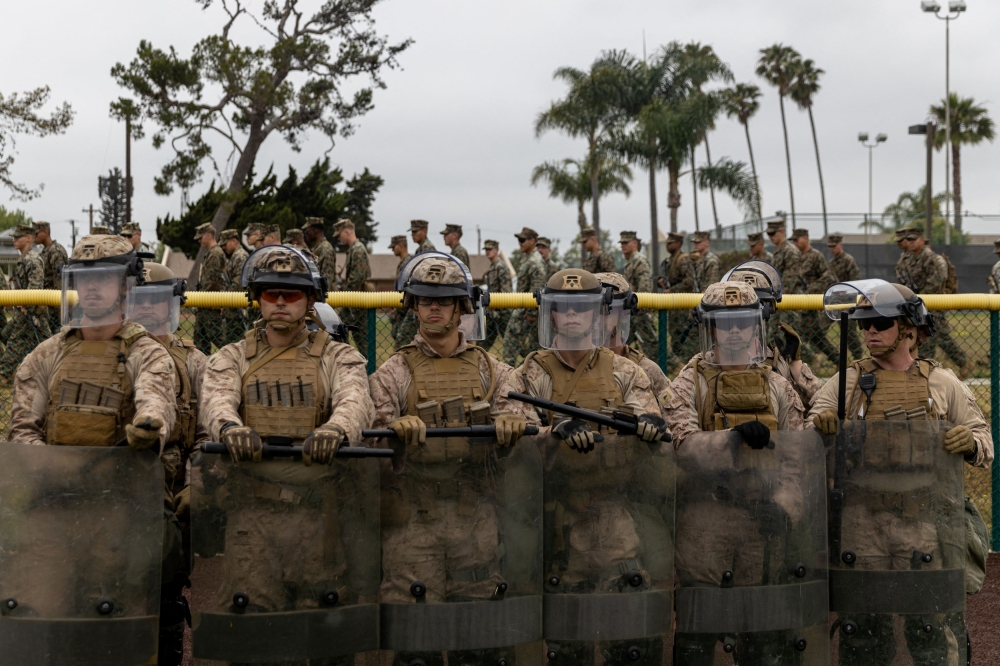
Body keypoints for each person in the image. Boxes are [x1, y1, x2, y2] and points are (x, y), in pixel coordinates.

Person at [7, 234, 183, 665]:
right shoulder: (45, 356)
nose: (92, 287)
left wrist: (149, 426)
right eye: (84, 278)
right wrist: (53, 470)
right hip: (54, 511)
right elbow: (22, 429)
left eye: (104, 277)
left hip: (120, 513)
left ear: (126, 285)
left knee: (114, 626)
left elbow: (156, 400)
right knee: (38, 619)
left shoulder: (148, 354)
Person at [198, 244, 375, 662]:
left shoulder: (338, 356)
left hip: (320, 517)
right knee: (252, 630)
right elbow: (215, 400)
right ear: (256, 299)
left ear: (310, 300)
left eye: (291, 294)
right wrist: (229, 428)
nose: (279, 302)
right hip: (252, 516)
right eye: (270, 293)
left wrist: (336, 429)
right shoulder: (232, 357)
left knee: (325, 632)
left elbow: (356, 400)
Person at [494, 267, 672, 665]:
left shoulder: (625, 371)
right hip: (555, 521)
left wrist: (645, 428)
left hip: (615, 515)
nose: (572, 315)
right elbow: (514, 433)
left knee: (627, 633)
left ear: (597, 315)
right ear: (550, 314)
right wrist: (552, 433)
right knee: (566, 639)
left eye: (582, 308)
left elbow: (651, 421)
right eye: (562, 308)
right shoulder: (529, 373)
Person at [809, 279, 992, 665]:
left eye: (880, 323)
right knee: (863, 629)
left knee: (929, 626)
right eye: (864, 325)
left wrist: (970, 442)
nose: (870, 331)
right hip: (861, 523)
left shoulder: (941, 382)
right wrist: (820, 429)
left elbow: (984, 441)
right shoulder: (847, 382)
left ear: (908, 330)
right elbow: (804, 436)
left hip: (923, 522)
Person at [368, 252, 531, 666]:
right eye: (425, 300)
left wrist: (511, 424)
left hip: (474, 512)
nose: (435, 307)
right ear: (413, 306)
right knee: (415, 639)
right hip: (413, 517)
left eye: (444, 300)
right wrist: (393, 431)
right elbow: (369, 437)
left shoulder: (492, 370)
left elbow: (520, 415)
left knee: (478, 637)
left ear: (462, 307)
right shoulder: (393, 371)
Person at [662, 281, 809, 665]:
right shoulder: (689, 382)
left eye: (743, 321)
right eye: (724, 322)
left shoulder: (778, 386)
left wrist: (785, 508)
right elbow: (679, 445)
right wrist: (729, 440)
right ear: (710, 327)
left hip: (764, 522)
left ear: (755, 325)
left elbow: (798, 459)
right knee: (698, 630)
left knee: (761, 635)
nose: (734, 330)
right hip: (704, 520)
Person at [129, 262, 208, 618]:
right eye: (138, 299)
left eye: (155, 299)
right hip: (119, 485)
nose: (146, 308)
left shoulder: (195, 363)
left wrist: (197, 486)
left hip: (173, 490)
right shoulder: (112, 356)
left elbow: (208, 433)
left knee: (167, 592)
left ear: (172, 304)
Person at [723, 260, 825, 407]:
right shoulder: (709, 362)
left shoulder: (777, 362)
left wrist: (794, 364)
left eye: (757, 310)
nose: (748, 319)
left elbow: (821, 403)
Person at [594, 271, 671, 403]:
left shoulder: (647, 370)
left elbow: (674, 418)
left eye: (605, 310)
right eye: (590, 310)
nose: (596, 318)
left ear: (622, 315)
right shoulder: (571, 364)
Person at [901, 227, 970, 375]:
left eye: (914, 239)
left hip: (933, 306)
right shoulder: (911, 260)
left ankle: (926, 371)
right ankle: (961, 363)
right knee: (938, 338)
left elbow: (937, 281)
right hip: (920, 306)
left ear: (922, 240)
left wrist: (920, 297)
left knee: (931, 339)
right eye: (909, 240)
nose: (910, 242)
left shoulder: (932, 258)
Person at [0, 224, 51, 381]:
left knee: (15, 340)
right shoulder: (24, 259)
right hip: (26, 311)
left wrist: (25, 308)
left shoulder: (33, 260)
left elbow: (34, 289)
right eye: (14, 237)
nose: (14, 240)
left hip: (30, 312)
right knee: (46, 345)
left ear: (29, 238)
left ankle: (3, 374)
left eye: (18, 237)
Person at [785, 228, 840, 366]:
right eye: (793, 241)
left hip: (809, 304)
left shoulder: (816, 256)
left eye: (797, 240)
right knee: (808, 336)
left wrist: (812, 290)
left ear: (805, 238)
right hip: (797, 303)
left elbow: (828, 277)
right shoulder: (795, 257)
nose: (795, 243)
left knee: (814, 338)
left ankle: (834, 360)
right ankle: (809, 361)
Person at [502, 226, 547, 365]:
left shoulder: (535, 261)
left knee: (510, 343)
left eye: (522, 240)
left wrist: (531, 313)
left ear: (532, 240)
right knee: (529, 348)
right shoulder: (527, 259)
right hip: (522, 308)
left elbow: (536, 290)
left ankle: (509, 372)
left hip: (526, 311)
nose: (520, 243)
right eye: (519, 240)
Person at [659, 231, 698, 370]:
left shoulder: (683, 259)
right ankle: (679, 366)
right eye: (667, 243)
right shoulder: (670, 261)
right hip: (674, 308)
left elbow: (689, 282)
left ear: (678, 244)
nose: (667, 245)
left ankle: (687, 365)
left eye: (670, 243)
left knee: (683, 337)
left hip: (683, 306)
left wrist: (672, 290)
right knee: (675, 338)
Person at [618, 230, 658, 360]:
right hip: (631, 312)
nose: (622, 245)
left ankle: (665, 368)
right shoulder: (630, 262)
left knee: (651, 345)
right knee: (623, 343)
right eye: (621, 243)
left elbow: (645, 286)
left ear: (634, 243)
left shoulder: (639, 260)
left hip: (639, 311)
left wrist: (639, 305)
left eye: (626, 242)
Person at [335, 218, 371, 359]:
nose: (339, 238)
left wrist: (345, 298)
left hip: (357, 301)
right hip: (355, 301)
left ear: (347, 231)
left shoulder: (358, 250)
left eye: (340, 234)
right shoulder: (354, 250)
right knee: (360, 339)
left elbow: (356, 279)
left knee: (341, 328)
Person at [193, 223, 227, 355]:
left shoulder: (216, 254)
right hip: (205, 304)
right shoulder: (211, 253)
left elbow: (211, 282)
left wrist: (199, 299)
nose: (199, 240)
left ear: (209, 235)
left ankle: (234, 358)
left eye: (201, 237)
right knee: (200, 339)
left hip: (210, 303)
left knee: (217, 336)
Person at [34, 220, 68, 333]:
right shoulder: (45, 252)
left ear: (45, 232)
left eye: (36, 233)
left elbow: (60, 282)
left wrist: (60, 308)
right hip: (47, 305)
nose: (34, 237)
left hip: (55, 307)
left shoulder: (55, 252)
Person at [219, 228, 249, 346]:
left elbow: (238, 283)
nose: (223, 247)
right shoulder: (235, 256)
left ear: (234, 241)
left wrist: (225, 301)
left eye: (225, 244)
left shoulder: (240, 256)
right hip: (233, 306)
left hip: (236, 308)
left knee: (235, 344)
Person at [482, 238, 511, 353]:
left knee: (509, 342)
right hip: (492, 311)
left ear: (497, 250)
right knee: (483, 342)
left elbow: (506, 292)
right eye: (486, 249)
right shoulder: (492, 267)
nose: (487, 251)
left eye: (490, 249)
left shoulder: (500, 267)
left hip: (502, 312)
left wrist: (498, 310)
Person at [389, 235, 418, 349]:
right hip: (401, 311)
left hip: (408, 311)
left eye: (394, 247)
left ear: (401, 246)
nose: (392, 249)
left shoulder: (409, 263)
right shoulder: (403, 263)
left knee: (401, 344)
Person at [304, 216, 336, 290]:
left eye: (307, 231)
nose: (306, 234)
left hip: (325, 298)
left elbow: (327, 280)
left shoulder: (326, 249)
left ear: (315, 231)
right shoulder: (317, 248)